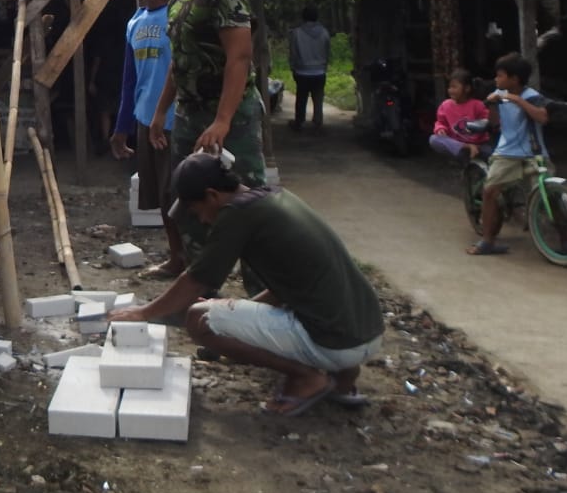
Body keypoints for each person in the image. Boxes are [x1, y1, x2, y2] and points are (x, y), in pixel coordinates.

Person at [110, 153, 386, 417]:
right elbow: (288, 286)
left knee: (199, 318)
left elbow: (195, 281)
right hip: (367, 332)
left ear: (212, 196)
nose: (202, 220)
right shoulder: (275, 197)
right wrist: (240, 312)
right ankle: (343, 376)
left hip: (336, 342)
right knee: (221, 311)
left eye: (198, 212)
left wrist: (144, 313)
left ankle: (307, 378)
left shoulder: (236, 215)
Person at [148, 0, 265, 183]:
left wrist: (223, 120)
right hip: (188, 114)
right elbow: (179, 60)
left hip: (230, 115)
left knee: (241, 192)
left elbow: (240, 57)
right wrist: (160, 111)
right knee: (186, 192)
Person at [109, 0, 185, 275]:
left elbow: (183, 69)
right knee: (160, 199)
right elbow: (130, 80)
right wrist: (121, 127)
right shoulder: (134, 22)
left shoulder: (177, 17)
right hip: (144, 119)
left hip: (172, 121)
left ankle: (191, 261)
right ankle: (177, 259)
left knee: (179, 194)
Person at [467, 52, 548, 256]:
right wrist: (492, 105)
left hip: (534, 151)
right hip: (507, 151)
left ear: (514, 79)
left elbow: (542, 118)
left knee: (549, 193)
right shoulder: (498, 95)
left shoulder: (532, 96)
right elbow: (494, 124)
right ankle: (487, 240)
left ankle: (565, 239)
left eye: (500, 75)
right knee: (490, 191)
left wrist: (515, 100)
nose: (496, 79)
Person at [287, 5, 332, 131]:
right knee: (318, 97)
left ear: (303, 17)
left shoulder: (297, 33)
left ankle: (299, 121)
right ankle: (318, 121)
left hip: (302, 71)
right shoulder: (324, 32)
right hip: (319, 71)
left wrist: (293, 67)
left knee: (301, 98)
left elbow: (293, 52)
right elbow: (327, 51)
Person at [429, 68, 490, 161]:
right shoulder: (445, 105)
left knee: (493, 153)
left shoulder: (477, 105)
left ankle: (472, 153)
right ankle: (467, 147)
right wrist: (441, 129)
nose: (450, 90)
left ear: (467, 88)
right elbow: (440, 122)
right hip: (458, 146)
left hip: (478, 146)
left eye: (454, 87)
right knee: (434, 139)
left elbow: (486, 124)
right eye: (449, 87)